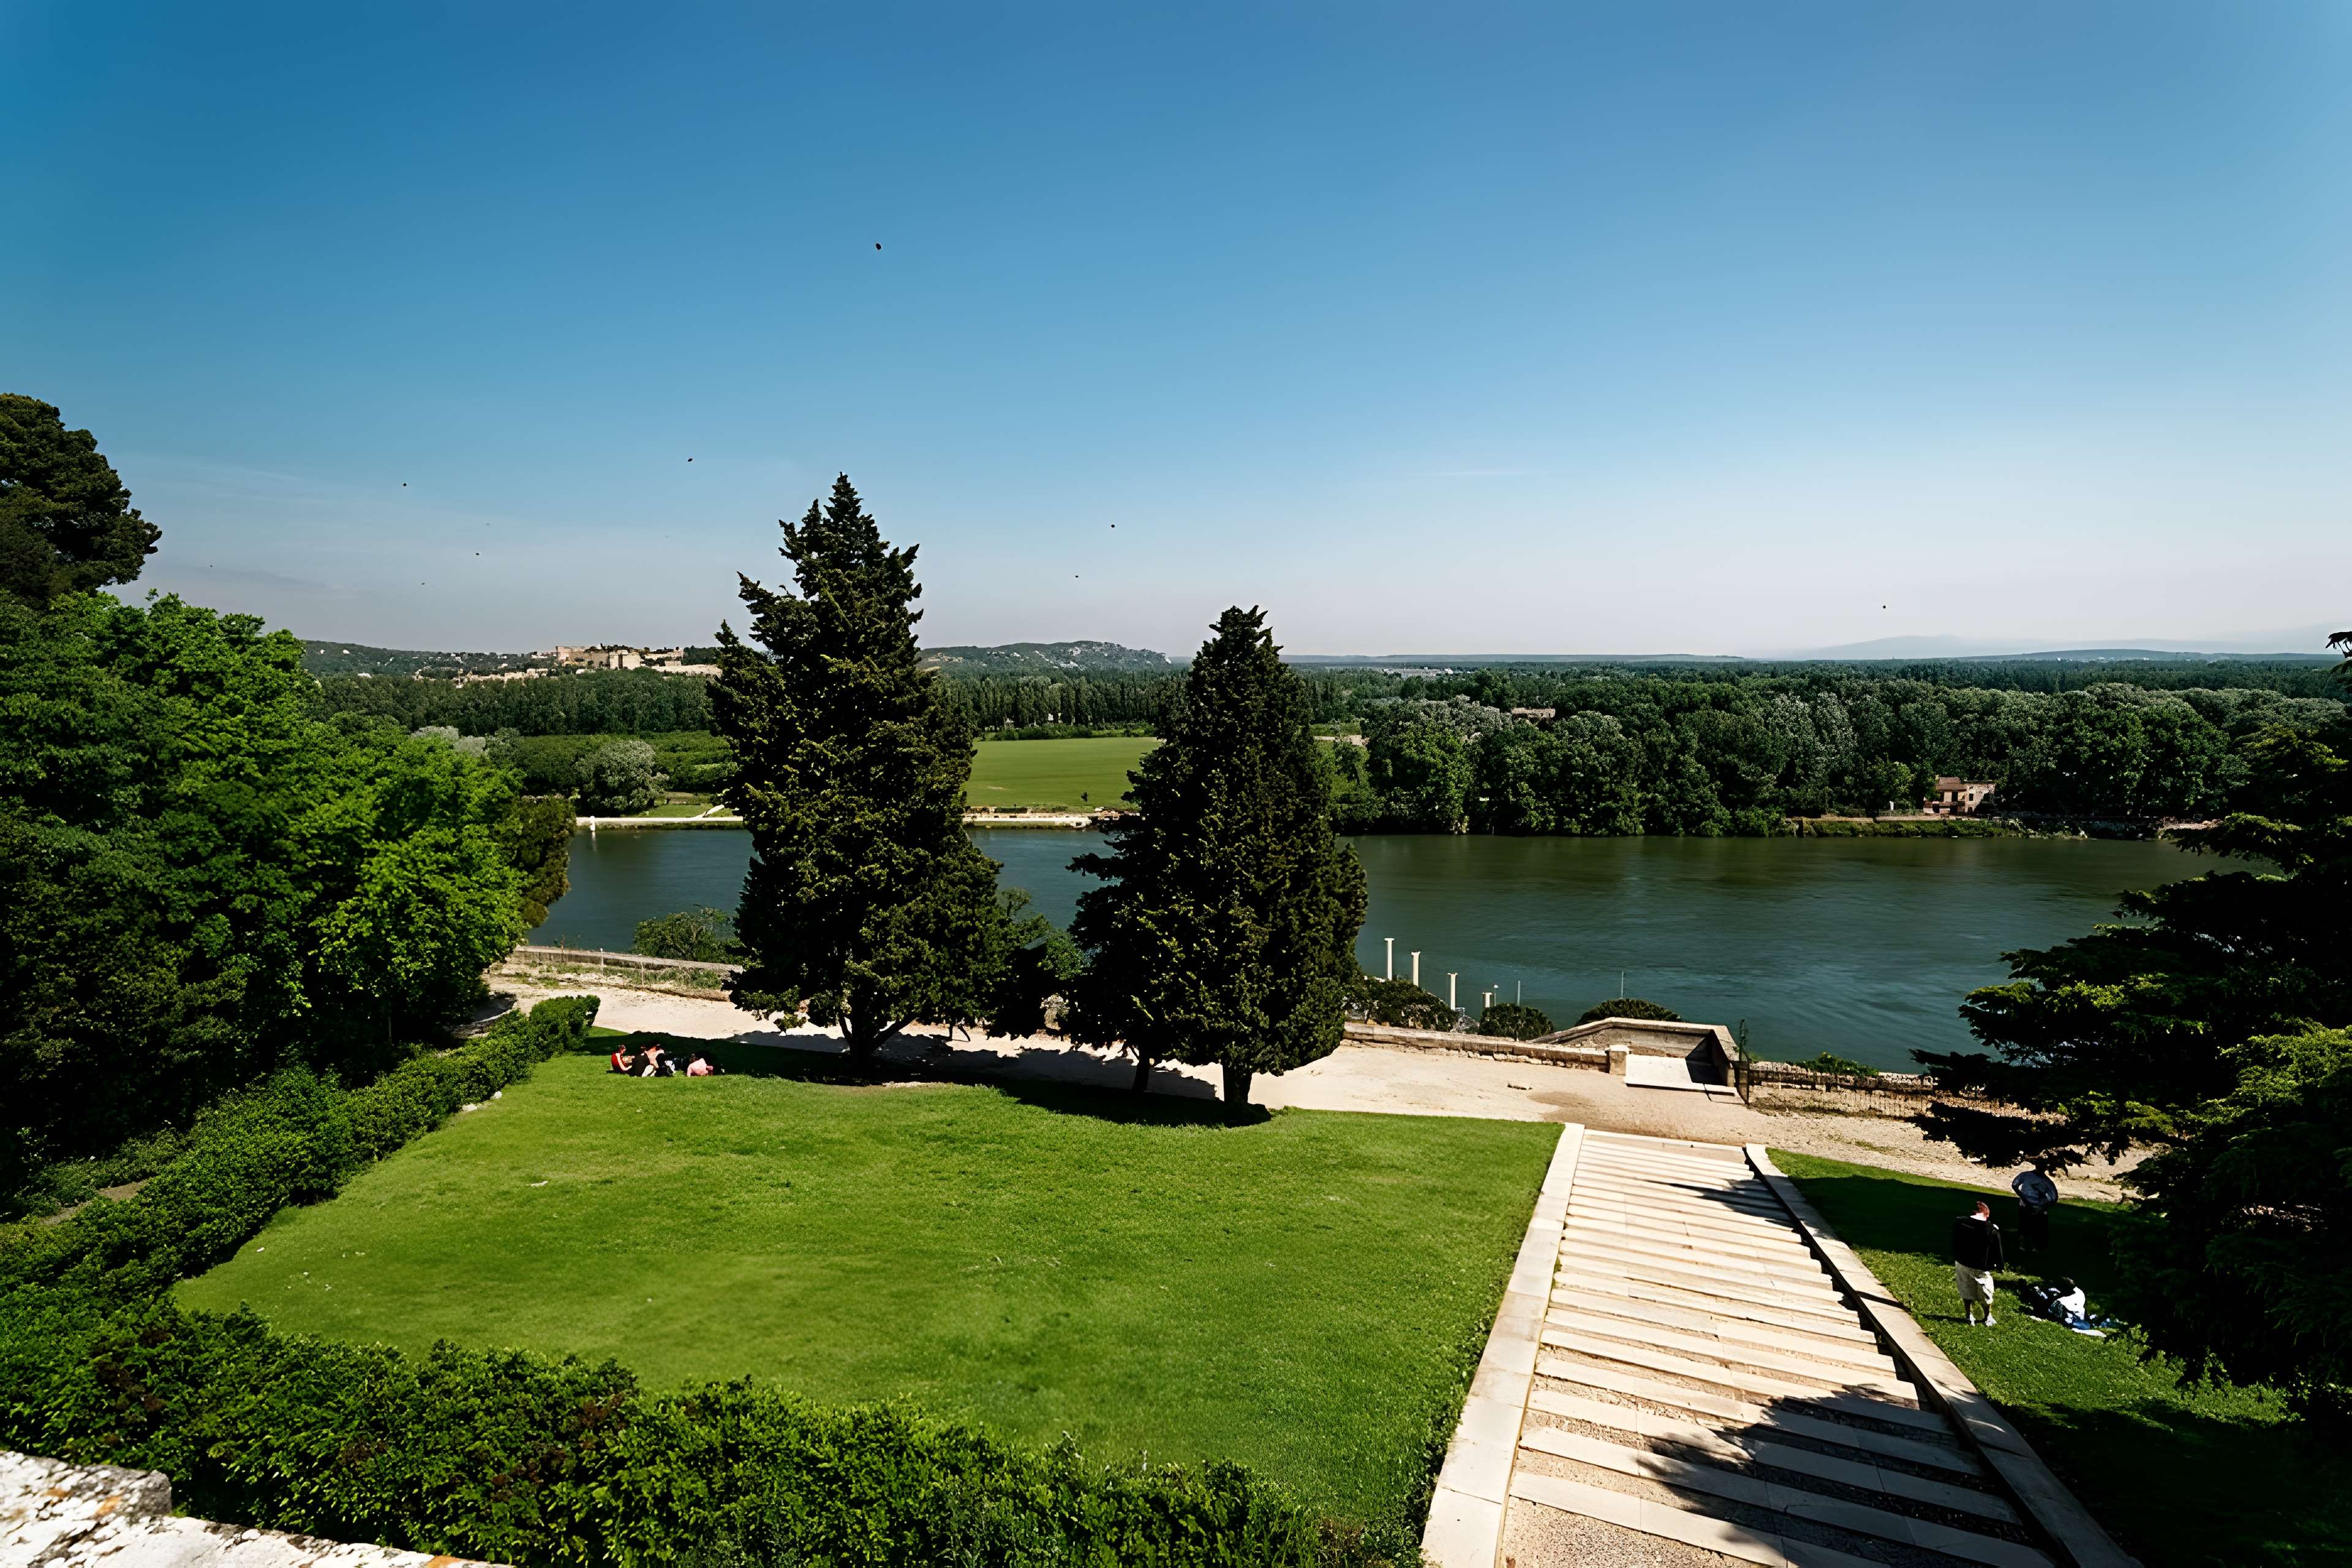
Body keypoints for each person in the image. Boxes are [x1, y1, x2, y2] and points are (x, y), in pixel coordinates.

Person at [1952, 1199, 2005, 1326]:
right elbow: (1998, 1251)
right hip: (1981, 1267)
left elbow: (1955, 1243)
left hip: (1962, 1262)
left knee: (1966, 1289)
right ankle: (1987, 1318)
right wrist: (2000, 1266)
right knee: (1986, 1293)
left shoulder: (1960, 1223)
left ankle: (1968, 1316)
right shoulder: (1992, 1230)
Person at [2011, 1164, 2059, 1253]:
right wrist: (2024, 1198)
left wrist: (2043, 1207)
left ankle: (2031, 1247)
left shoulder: (2045, 1181)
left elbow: (2054, 1198)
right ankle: (2025, 1247)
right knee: (2026, 1228)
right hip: (2028, 1206)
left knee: (2031, 1228)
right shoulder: (2028, 1176)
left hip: (2035, 1208)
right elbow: (2015, 1185)